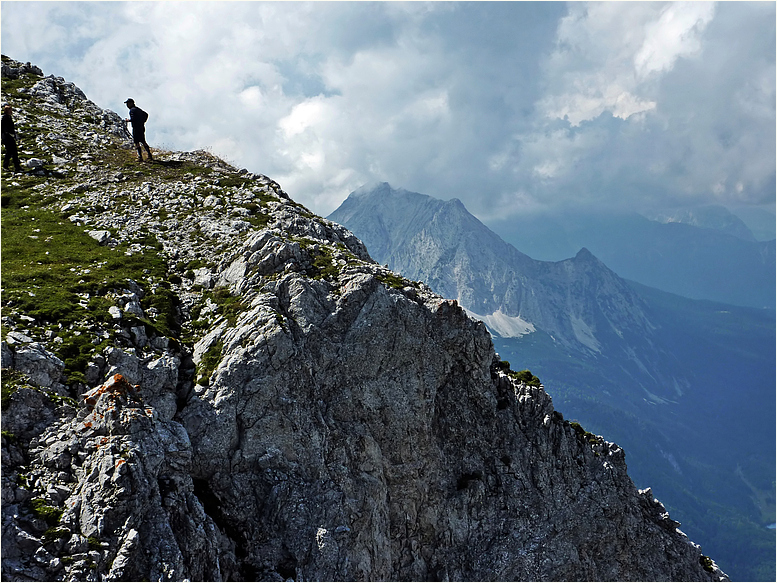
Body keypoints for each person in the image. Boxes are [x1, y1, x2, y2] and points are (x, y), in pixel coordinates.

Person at [124, 98, 153, 162]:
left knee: (137, 142)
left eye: (128, 104)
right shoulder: (138, 109)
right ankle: (149, 155)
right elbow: (146, 114)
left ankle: (140, 157)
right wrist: (143, 122)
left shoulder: (132, 110)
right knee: (143, 141)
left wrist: (128, 120)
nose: (127, 105)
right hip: (141, 127)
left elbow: (133, 119)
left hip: (136, 128)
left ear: (131, 103)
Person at [1, 104, 23, 173]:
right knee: (10, 151)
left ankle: (16, 166)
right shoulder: (5, 118)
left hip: (10, 136)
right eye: (10, 109)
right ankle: (6, 166)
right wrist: (6, 134)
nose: (11, 111)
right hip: (7, 137)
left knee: (13, 151)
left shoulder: (8, 117)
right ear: (7, 110)